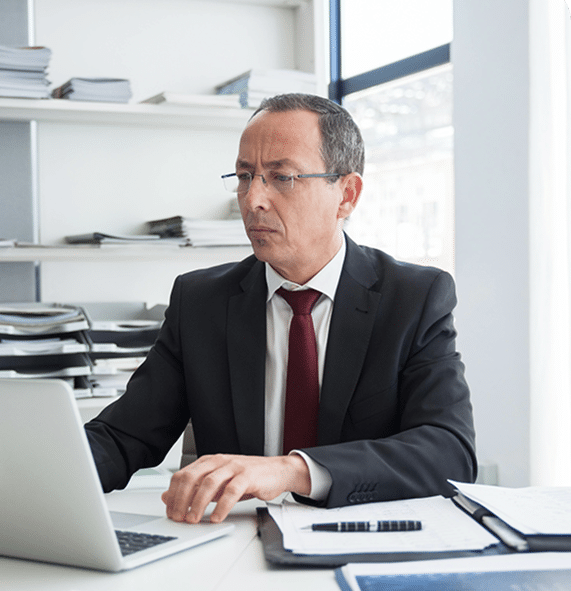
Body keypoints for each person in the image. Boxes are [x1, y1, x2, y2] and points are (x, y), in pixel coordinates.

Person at [86, 93, 476, 524]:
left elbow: (449, 453)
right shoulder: (200, 303)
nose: (253, 200)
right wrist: (30, 472)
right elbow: (121, 438)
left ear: (346, 195)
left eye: (281, 177)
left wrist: (292, 470)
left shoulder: (414, 298)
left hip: (361, 543)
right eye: (244, 176)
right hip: (231, 545)